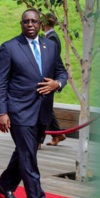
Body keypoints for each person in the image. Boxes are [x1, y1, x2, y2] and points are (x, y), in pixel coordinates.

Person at [0, 8, 68, 198]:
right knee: (28, 156)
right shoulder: (9, 48)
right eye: (26, 21)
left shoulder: (51, 46)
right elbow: (0, 83)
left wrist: (57, 83)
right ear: (21, 24)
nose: (30, 24)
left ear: (39, 23)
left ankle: (5, 184)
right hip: (19, 112)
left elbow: (61, 72)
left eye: (34, 21)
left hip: (42, 112)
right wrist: (2, 112)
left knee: (24, 152)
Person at [38, 13, 66, 148]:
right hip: (49, 77)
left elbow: (50, 59)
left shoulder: (52, 38)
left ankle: (40, 139)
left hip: (49, 78)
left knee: (44, 107)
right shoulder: (51, 37)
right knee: (46, 107)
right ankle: (56, 134)